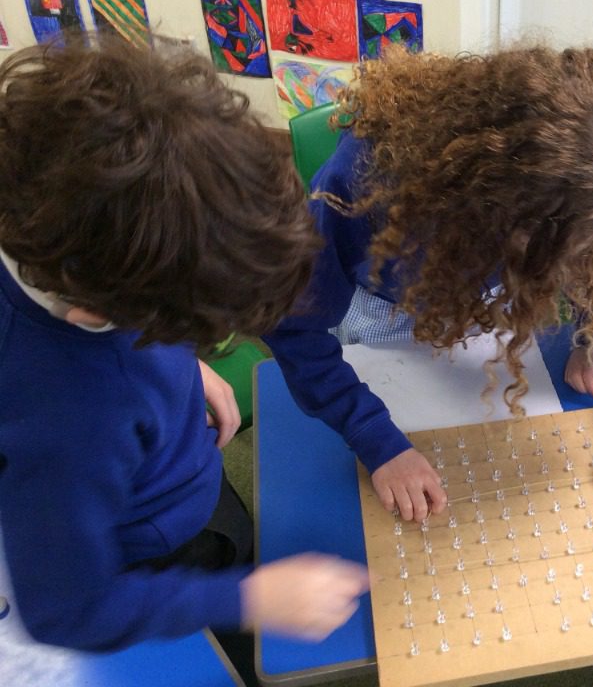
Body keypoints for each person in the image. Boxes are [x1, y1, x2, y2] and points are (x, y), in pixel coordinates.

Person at [0, 35, 370, 654]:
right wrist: (248, 601)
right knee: (228, 639)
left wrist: (185, 368)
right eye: (184, 329)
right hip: (150, 551)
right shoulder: (73, 420)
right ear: (105, 313)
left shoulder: (63, 236)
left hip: (178, 465)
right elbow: (68, 610)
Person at [264, 45, 593, 521]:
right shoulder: (365, 185)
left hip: (484, 303)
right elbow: (293, 325)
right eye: (547, 251)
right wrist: (375, 439)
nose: (566, 271)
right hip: (380, 302)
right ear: (487, 203)